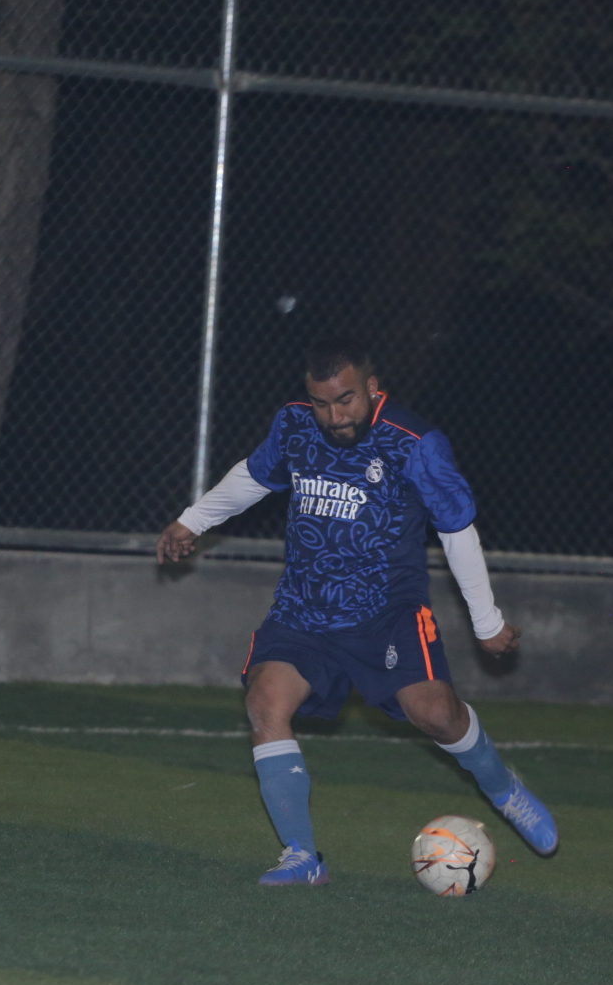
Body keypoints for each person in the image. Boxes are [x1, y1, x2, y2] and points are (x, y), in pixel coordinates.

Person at [156, 336, 556, 885]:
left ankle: (502, 787)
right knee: (265, 702)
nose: (333, 416)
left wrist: (486, 621)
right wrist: (191, 521)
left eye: (344, 400)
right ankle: (301, 855)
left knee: (438, 716)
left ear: (372, 388)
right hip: (304, 610)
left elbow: (456, 528)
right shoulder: (295, 426)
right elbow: (254, 476)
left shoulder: (414, 442)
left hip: (386, 612)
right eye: (321, 403)